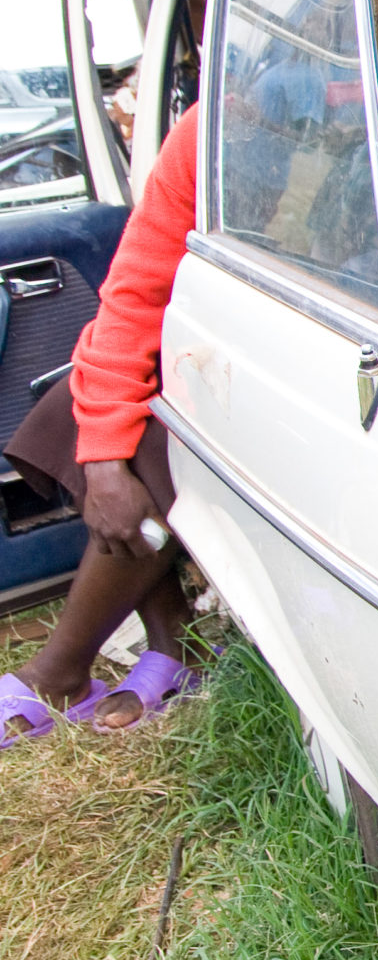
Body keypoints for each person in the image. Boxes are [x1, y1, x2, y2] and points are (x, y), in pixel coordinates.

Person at [1, 108, 208, 744]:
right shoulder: (210, 128)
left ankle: (60, 672)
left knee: (158, 435)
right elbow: (135, 292)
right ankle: (173, 643)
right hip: (218, 346)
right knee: (83, 403)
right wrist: (102, 460)